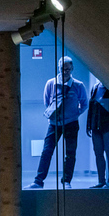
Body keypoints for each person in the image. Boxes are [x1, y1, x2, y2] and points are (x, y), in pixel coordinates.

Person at [28, 56, 88, 189]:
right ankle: (38, 181)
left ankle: (66, 181)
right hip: (54, 123)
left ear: (72, 68)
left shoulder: (78, 85)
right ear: (59, 68)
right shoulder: (51, 83)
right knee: (47, 151)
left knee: (70, 153)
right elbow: (46, 101)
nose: (65, 71)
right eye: (63, 68)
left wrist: (74, 114)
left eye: (68, 69)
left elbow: (84, 104)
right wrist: (53, 114)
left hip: (71, 123)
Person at [86, 81, 109, 188]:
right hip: (95, 127)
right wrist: (88, 125)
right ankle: (101, 180)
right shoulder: (95, 88)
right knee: (98, 153)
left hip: (108, 127)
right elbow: (91, 107)